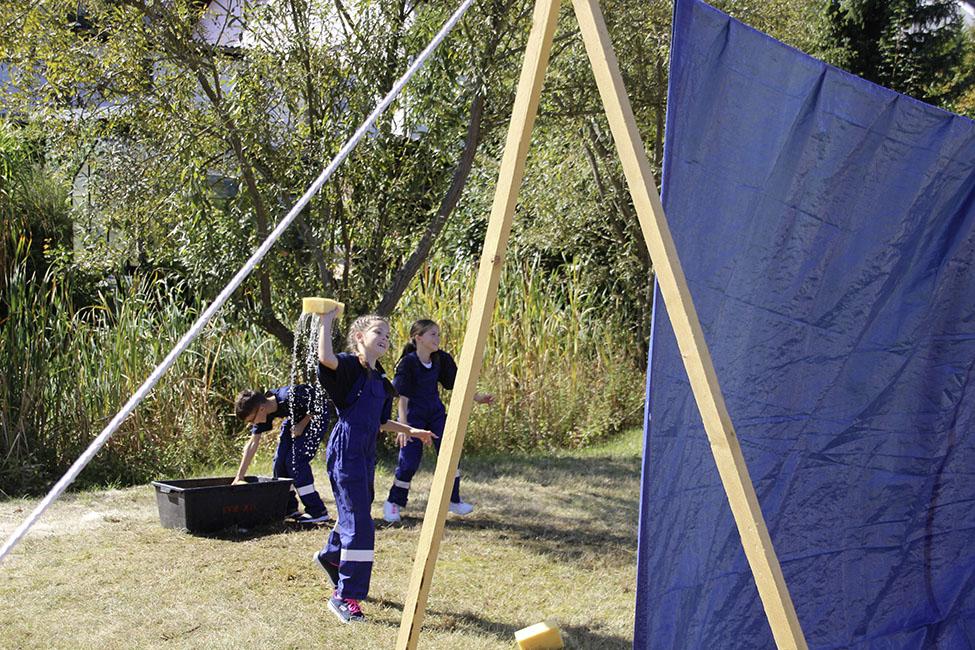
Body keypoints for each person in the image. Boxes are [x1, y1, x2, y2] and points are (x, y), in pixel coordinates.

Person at [313, 309, 435, 624]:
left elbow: (381, 421)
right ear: (359, 338)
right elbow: (325, 357)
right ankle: (344, 596)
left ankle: (331, 557)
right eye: (378, 333)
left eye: (387, 335)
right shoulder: (350, 366)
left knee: (357, 512)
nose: (385, 338)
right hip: (346, 451)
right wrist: (325, 320)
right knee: (361, 524)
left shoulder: (380, 378)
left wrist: (412, 431)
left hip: (365, 454)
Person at [382, 319, 494, 524]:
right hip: (413, 418)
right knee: (409, 462)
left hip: (435, 414)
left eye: (439, 334)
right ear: (418, 338)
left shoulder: (441, 359)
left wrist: (478, 398)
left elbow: (458, 384)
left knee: (451, 453)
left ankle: (453, 500)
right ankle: (393, 503)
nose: (438, 338)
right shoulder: (407, 363)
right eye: (433, 334)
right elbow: (403, 399)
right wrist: (404, 428)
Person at [233, 384, 330, 523]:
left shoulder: (290, 395)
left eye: (251, 420)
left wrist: (302, 424)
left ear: (261, 409)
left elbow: (319, 401)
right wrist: (239, 477)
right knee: (279, 462)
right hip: (295, 419)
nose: (251, 424)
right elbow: (252, 443)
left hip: (316, 418)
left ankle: (317, 510)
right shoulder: (264, 408)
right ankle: (288, 507)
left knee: (295, 461)